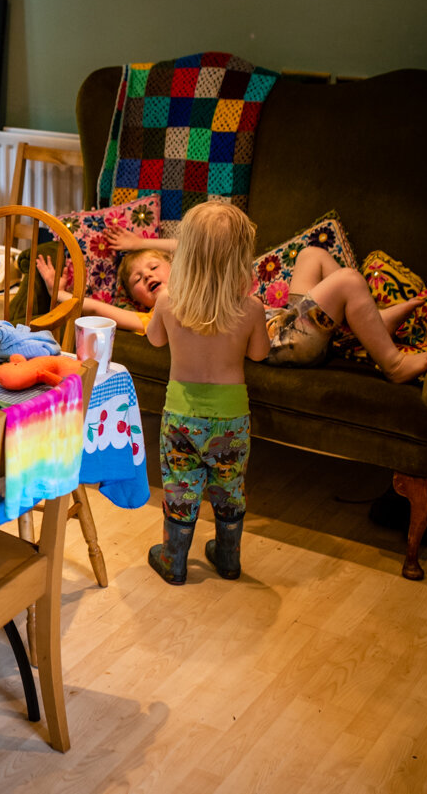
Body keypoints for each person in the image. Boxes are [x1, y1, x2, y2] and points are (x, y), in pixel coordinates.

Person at [39, 224, 427, 383]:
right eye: (140, 283)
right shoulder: (160, 311)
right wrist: (60, 293)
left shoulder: (199, 269)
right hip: (282, 342)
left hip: (284, 321)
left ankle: (370, 323)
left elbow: (190, 244)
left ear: (177, 265)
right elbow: (98, 308)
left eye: (153, 268)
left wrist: (139, 244)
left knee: (312, 256)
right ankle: (394, 363)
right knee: (347, 280)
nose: (148, 280)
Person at [142, 202, 270, 585]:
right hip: (231, 419)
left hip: (181, 416)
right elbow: (260, 353)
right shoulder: (250, 308)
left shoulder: (168, 302)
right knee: (229, 488)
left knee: (181, 488)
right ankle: (228, 558)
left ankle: (174, 560)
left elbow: (153, 339)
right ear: (240, 262)